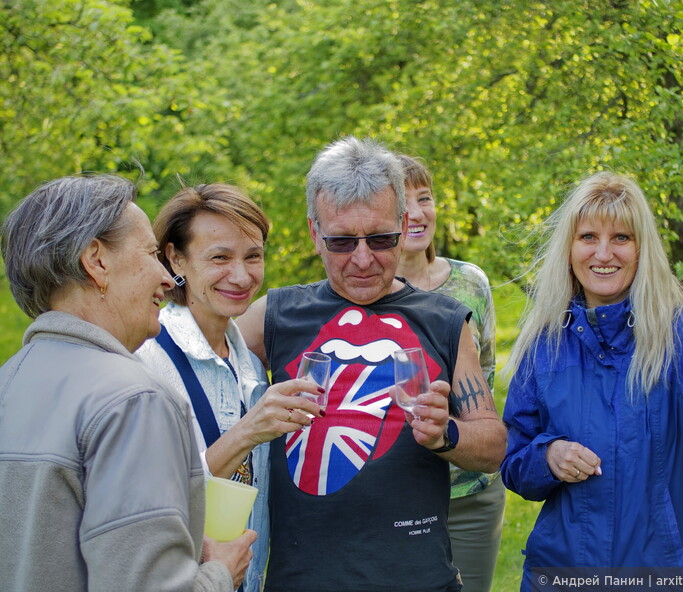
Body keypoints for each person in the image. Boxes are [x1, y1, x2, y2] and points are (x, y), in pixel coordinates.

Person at [236, 136, 507, 592]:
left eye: (381, 239)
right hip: (303, 579)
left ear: (403, 225)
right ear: (313, 231)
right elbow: (191, 369)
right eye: (341, 242)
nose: (362, 259)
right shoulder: (275, 314)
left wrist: (447, 434)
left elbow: (494, 445)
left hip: (417, 578)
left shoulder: (443, 320)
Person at [500, 172, 683, 590]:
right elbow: (515, 459)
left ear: (643, 249)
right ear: (569, 248)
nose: (603, 253)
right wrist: (547, 454)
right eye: (588, 236)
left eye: (622, 237)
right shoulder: (545, 344)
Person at [0, 174, 257, 592]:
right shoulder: (134, 399)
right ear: (97, 261)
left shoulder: (9, 381)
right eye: (153, 255)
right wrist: (220, 574)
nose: (166, 277)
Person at [136, 183, 322, 591]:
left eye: (253, 256)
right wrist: (247, 432)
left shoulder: (251, 363)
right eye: (220, 257)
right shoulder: (146, 361)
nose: (241, 276)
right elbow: (147, 502)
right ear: (175, 258)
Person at [395, 154, 505, 592]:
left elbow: (489, 372)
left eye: (426, 198)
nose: (419, 214)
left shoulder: (470, 284)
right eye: (404, 204)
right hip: (398, 493)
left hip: (471, 495)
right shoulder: (365, 294)